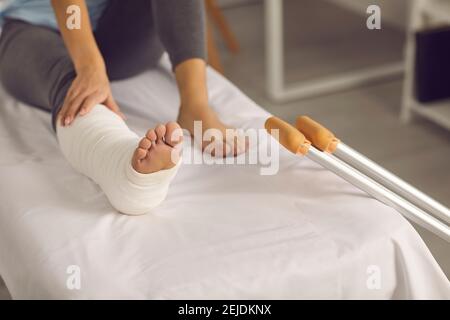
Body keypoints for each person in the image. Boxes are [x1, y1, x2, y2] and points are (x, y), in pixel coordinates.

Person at [0, 0, 243, 215]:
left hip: (116, 33)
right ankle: (125, 172)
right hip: (32, 30)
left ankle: (195, 106)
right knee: (74, 86)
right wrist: (89, 65)